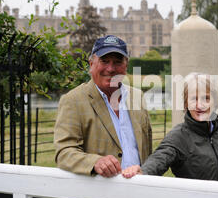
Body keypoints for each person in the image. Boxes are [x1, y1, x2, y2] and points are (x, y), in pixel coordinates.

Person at [54, 35, 152, 177]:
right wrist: (95, 162)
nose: (111, 68)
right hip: (99, 193)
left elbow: (146, 150)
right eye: (104, 61)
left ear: (126, 66)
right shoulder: (73, 100)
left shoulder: (137, 96)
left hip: (139, 191)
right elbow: (64, 152)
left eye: (118, 62)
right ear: (91, 64)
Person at [122, 73, 218, 182]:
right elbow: (160, 158)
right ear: (185, 103)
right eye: (193, 99)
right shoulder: (178, 136)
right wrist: (143, 172)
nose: (199, 105)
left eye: (206, 98)